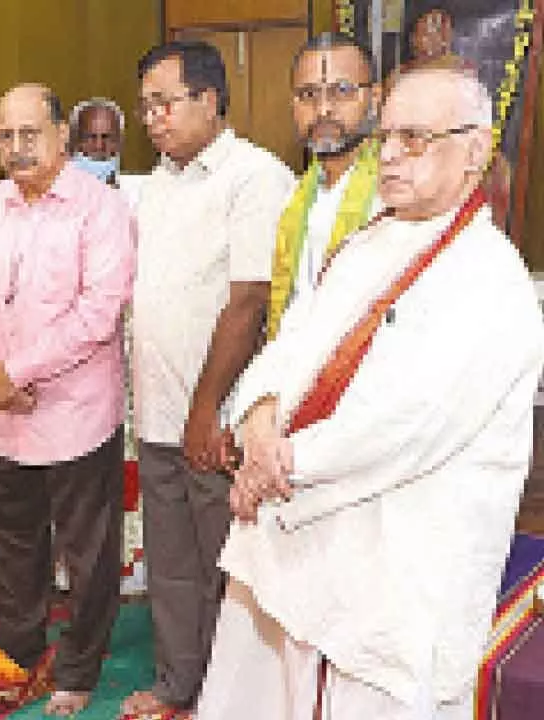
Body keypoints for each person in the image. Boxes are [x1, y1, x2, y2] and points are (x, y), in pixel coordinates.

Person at [196, 67, 544, 720]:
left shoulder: (490, 281)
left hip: (390, 576)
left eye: (414, 139)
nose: (386, 155)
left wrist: (277, 465)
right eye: (385, 136)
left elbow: (405, 424)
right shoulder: (367, 243)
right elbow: (292, 343)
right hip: (294, 546)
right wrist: (260, 424)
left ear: (475, 150)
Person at [0, 82, 135, 717]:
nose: (17, 148)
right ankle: (20, 652)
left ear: (60, 135)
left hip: (73, 416)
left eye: (30, 134)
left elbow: (97, 314)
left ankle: (79, 668)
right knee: (14, 542)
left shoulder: (99, 209)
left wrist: (15, 371)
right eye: (5, 136)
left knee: (87, 550)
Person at [121, 41, 295, 720]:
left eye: (165, 103)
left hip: (216, 422)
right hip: (158, 412)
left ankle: (231, 700)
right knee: (171, 566)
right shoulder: (157, 182)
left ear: (210, 100)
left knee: (230, 568)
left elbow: (248, 300)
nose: (153, 119)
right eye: (147, 107)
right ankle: (178, 686)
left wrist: (205, 411)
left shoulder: (256, 177)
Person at [269, 33, 382, 340]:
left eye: (342, 91)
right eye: (308, 95)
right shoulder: (297, 196)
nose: (322, 110)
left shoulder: (395, 197)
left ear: (375, 98)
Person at [68, 98, 125, 186]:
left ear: (120, 141)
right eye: (91, 137)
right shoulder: (53, 193)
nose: (99, 146)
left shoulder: (138, 194)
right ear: (74, 141)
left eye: (107, 137)